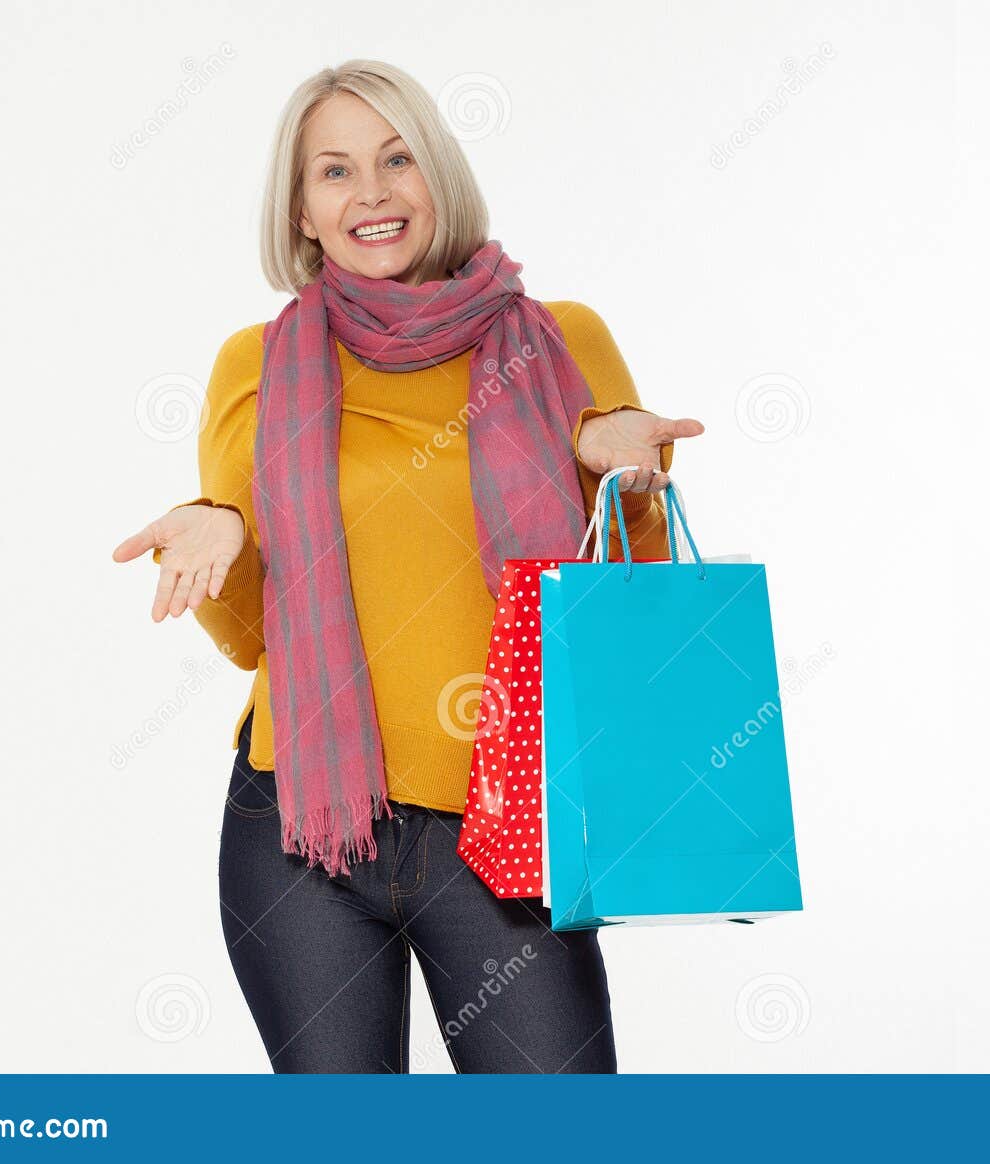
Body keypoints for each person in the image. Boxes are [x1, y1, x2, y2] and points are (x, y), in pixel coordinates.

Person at [110, 59, 703, 1073]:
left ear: (438, 174)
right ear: (300, 211)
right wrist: (225, 533)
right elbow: (255, 637)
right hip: (301, 830)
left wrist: (626, 479)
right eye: (334, 172)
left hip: (505, 824)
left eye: (396, 159)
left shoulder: (561, 345)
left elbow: (629, 599)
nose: (372, 193)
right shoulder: (254, 368)